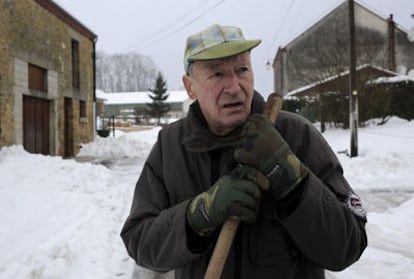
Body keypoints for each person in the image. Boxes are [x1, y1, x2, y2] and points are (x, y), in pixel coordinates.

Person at [121, 24, 367, 279]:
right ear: (190, 86)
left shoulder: (296, 135)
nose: (234, 86)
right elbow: (140, 242)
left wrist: (289, 177)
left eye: (242, 70)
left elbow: (347, 247)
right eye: (217, 74)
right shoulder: (171, 146)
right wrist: (200, 214)